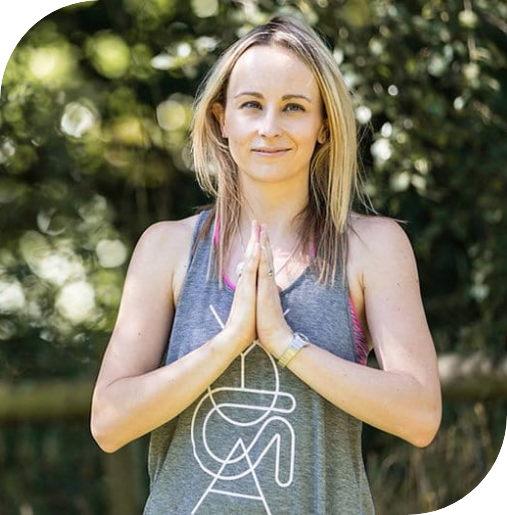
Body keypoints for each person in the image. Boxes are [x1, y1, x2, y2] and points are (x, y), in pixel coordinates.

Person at [90, 14, 441, 514]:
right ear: (221, 119)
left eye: (294, 107)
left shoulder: (372, 247)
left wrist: (285, 343)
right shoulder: (165, 249)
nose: (270, 127)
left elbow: (421, 415)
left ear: (323, 126)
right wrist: (230, 341)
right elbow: (108, 423)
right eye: (251, 105)